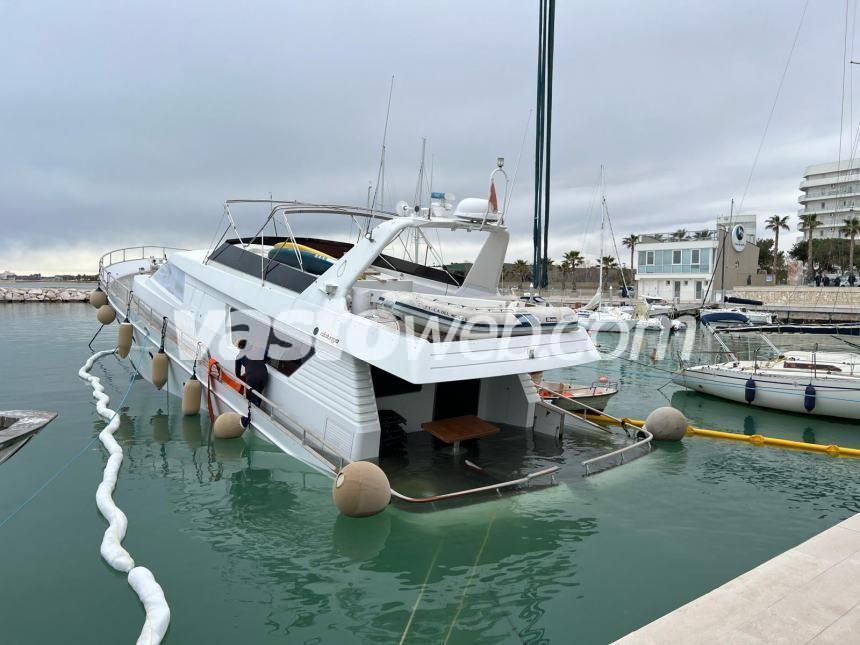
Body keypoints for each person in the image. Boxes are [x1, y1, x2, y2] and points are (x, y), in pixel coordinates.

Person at [235, 338, 269, 407]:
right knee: (258, 394)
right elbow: (267, 354)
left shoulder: (239, 356)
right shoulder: (258, 349)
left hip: (252, 378)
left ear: (239, 348)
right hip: (264, 375)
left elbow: (237, 373)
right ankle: (257, 406)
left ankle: (252, 412)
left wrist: (243, 378)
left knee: (251, 398)